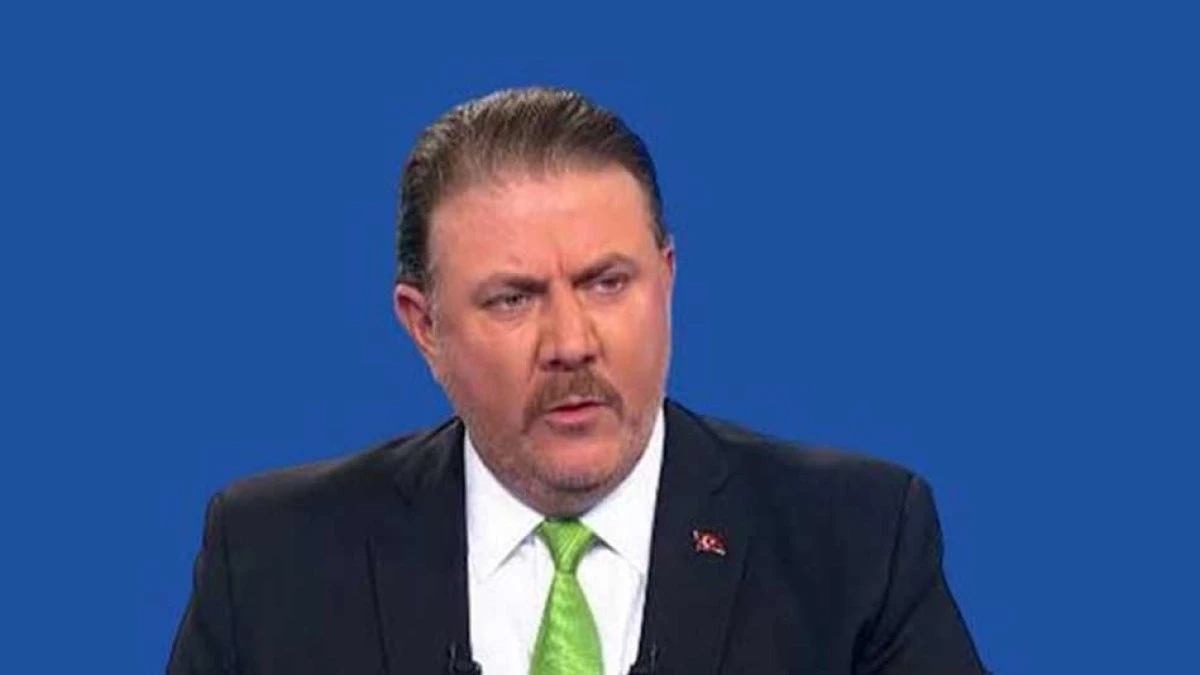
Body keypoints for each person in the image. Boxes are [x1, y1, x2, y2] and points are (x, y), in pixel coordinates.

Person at [168, 86, 986, 674]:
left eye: (606, 283)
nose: (571, 343)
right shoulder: (272, 560)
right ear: (425, 326)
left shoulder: (856, 543)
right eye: (513, 298)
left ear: (666, 279)